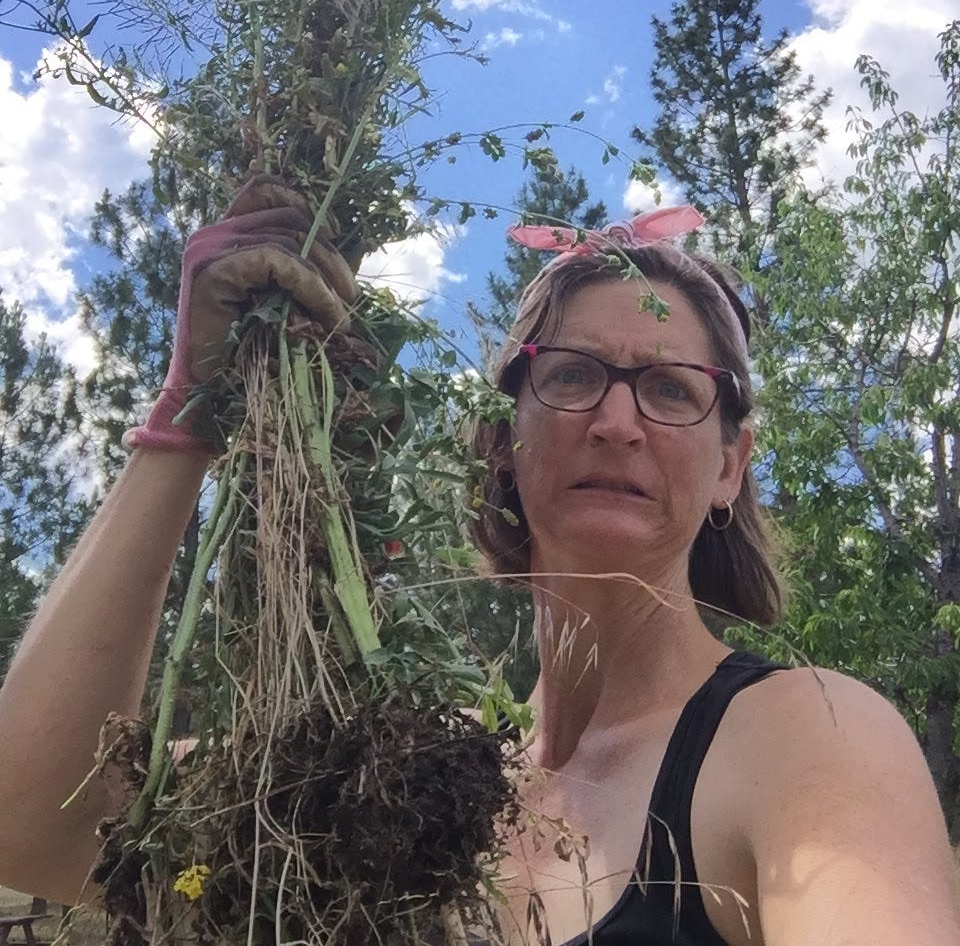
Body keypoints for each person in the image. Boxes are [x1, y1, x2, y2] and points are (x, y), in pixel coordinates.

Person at [0, 184, 958, 946]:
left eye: (672, 388)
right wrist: (189, 411)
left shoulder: (805, 741)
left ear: (730, 467)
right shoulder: (394, 775)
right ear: (503, 442)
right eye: (573, 375)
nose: (617, 422)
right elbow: (37, 819)